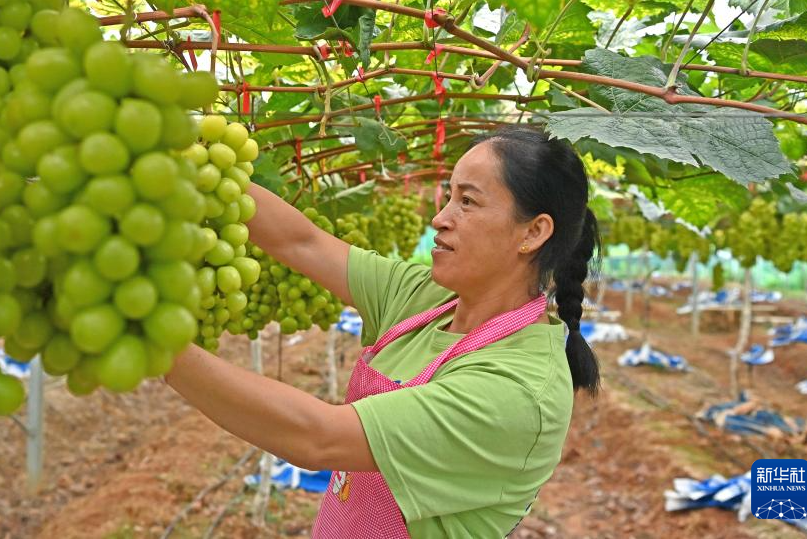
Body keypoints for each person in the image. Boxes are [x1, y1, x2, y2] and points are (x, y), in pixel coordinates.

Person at [164, 125, 601, 538]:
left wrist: (156, 343)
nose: (440, 219)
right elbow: (302, 242)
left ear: (533, 232)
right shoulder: (427, 298)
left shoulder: (519, 390)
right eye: (448, 197)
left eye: (467, 202)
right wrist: (193, 164)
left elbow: (318, 438)